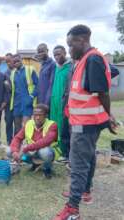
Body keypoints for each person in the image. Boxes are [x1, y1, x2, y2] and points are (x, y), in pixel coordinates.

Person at [54, 25, 117, 220]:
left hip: (86, 122)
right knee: (88, 157)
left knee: (78, 163)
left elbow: (103, 93)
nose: (70, 49)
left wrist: (109, 116)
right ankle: (85, 191)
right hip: (82, 120)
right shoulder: (83, 60)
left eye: (71, 45)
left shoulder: (93, 59)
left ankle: (72, 208)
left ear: (82, 41)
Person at [9, 104, 59, 179]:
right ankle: (33, 164)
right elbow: (17, 138)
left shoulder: (52, 125)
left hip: (48, 153)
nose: (37, 118)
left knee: (45, 152)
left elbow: (45, 141)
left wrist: (26, 148)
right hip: (32, 152)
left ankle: (47, 170)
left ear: (46, 115)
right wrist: (15, 152)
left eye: (40, 115)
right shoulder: (29, 123)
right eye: (35, 115)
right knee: (9, 151)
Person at [50, 45, 72, 162]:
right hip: (54, 103)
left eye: (59, 54)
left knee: (64, 128)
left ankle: (66, 153)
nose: (57, 57)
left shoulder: (70, 67)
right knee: (55, 126)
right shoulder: (57, 68)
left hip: (65, 103)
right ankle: (56, 150)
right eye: (55, 55)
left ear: (65, 52)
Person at [11, 54, 39, 134]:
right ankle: (18, 145)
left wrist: (31, 96)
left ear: (21, 60)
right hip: (17, 104)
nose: (16, 63)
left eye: (18, 61)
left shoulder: (30, 69)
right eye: (14, 62)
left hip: (27, 103)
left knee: (27, 126)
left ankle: (27, 145)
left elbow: (38, 85)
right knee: (17, 127)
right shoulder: (13, 73)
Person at [4, 53, 15, 144]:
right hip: (8, 103)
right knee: (8, 122)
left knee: (18, 123)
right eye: (6, 61)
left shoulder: (19, 71)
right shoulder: (5, 74)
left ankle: (17, 141)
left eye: (9, 60)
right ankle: (9, 140)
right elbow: (4, 89)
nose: (8, 63)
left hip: (18, 102)